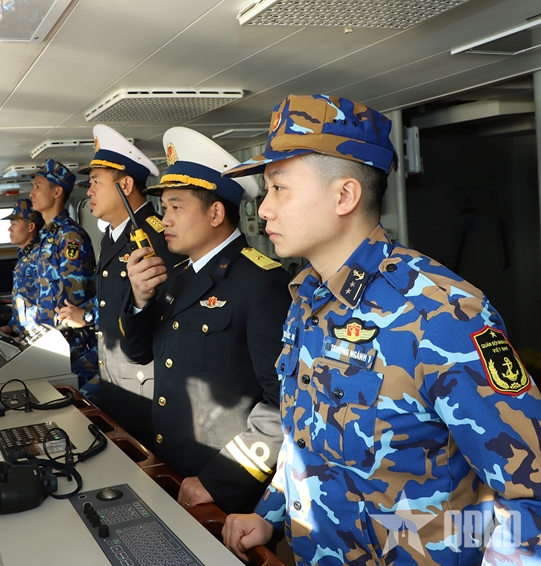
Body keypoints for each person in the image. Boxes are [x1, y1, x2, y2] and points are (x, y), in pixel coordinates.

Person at [220, 93, 541, 564]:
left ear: (345, 196)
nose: (264, 209)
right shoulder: (308, 297)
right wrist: (268, 514)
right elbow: (305, 437)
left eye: (279, 188)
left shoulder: (441, 313)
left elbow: (531, 490)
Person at [119, 127, 292, 514]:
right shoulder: (177, 277)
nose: (164, 220)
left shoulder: (261, 285)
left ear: (215, 213)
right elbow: (138, 352)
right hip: (172, 467)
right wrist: (140, 299)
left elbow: (284, 405)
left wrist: (221, 480)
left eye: (175, 207)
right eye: (164, 208)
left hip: (223, 487)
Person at [56, 125, 183, 440]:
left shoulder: (157, 239)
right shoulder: (111, 238)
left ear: (125, 185)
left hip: (145, 387)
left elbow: (170, 320)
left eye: (96, 182)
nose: (89, 191)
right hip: (115, 381)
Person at [29, 158, 98, 389]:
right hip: (50, 343)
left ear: (57, 192)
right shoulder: (47, 236)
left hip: (70, 346)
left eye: (37, 187)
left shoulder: (70, 236)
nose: (31, 193)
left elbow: (72, 300)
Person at [1, 198, 44, 337]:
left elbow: (46, 304)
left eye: (14, 224)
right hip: (23, 335)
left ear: (31, 227)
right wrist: (11, 326)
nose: (9, 229)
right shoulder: (24, 257)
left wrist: (33, 338)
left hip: (36, 338)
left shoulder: (40, 257)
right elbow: (24, 300)